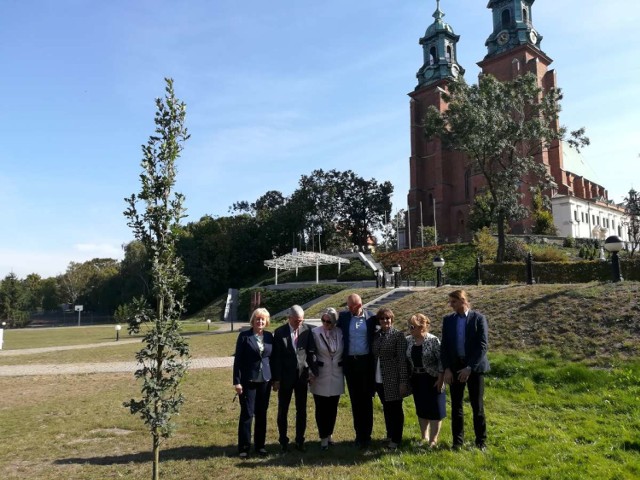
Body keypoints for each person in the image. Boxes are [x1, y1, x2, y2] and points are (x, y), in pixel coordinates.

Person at [440, 289, 490, 451]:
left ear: (462, 301)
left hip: (474, 368)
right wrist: (447, 368)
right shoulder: (448, 320)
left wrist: (469, 368)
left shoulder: (478, 319)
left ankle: (481, 442)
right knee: (456, 406)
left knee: (477, 406)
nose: (451, 305)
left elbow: (482, 346)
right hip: (455, 367)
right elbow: (445, 347)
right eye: (450, 302)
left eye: (453, 302)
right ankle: (457, 442)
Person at [271, 305, 317, 452]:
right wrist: (276, 379)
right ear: (289, 318)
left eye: (301, 320)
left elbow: (311, 353)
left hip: (302, 377)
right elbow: (276, 358)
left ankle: (300, 440)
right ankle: (283, 441)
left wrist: (312, 371)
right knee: (283, 410)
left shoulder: (307, 330)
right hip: (285, 378)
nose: (299, 323)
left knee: (301, 410)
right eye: (297, 320)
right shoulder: (279, 333)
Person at [337, 293, 377, 448]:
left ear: (360, 305)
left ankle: (367, 435)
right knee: (355, 400)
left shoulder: (371, 318)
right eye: (348, 306)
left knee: (366, 400)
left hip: (366, 363)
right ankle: (358, 435)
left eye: (352, 307)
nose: (350, 309)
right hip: (350, 364)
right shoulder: (345, 317)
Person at [232, 308, 273, 458]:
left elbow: (272, 359)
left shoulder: (269, 336)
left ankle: (260, 446)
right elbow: (238, 361)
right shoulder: (244, 336)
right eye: (257, 319)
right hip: (248, 381)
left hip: (265, 381)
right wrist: (237, 382)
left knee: (262, 414)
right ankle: (244, 447)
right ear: (253, 320)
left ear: (266, 321)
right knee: (247, 414)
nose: (260, 322)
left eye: (263, 319)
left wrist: (275, 380)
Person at [406, 313, 446, 447]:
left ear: (422, 327)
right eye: (409, 326)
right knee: (421, 408)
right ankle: (424, 436)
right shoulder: (409, 340)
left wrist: (441, 379)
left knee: (435, 409)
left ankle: (433, 440)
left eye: (413, 327)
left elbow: (441, 360)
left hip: (433, 378)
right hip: (417, 378)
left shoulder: (433, 340)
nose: (410, 329)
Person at [372, 307, 409, 450]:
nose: (385, 321)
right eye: (382, 318)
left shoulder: (398, 335)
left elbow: (402, 360)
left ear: (392, 319)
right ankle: (390, 434)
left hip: (394, 380)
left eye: (387, 318)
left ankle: (396, 439)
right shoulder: (377, 335)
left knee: (395, 410)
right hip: (379, 379)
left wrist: (403, 381)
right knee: (386, 408)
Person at [309, 307, 344, 450]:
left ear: (334, 321)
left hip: (336, 374)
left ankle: (329, 434)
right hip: (320, 375)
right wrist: (311, 372)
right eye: (323, 320)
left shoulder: (340, 332)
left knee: (333, 407)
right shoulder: (314, 333)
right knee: (321, 407)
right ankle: (323, 437)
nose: (325, 323)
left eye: (329, 321)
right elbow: (310, 354)